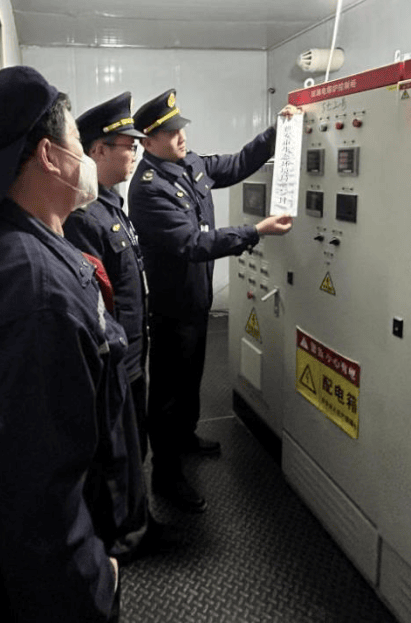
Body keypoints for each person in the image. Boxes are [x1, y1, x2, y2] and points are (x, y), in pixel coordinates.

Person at [0, 66, 131, 621]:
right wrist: (97, 581)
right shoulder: (37, 294)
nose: (85, 158)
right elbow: (38, 499)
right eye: (78, 143)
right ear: (49, 155)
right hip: (53, 589)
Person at [128, 89, 296, 512]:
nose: (180, 137)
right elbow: (192, 244)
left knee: (191, 377)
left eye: (180, 128)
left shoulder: (191, 164)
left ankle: (185, 436)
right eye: (170, 133)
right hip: (172, 306)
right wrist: (255, 231)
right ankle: (166, 474)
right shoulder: (148, 189)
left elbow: (237, 164)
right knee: (168, 391)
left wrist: (278, 131)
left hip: (197, 298)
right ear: (148, 141)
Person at [63, 92, 152, 559]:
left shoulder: (112, 205)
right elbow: (95, 302)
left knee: (135, 450)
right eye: (127, 146)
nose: (135, 153)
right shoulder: (84, 217)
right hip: (116, 362)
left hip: (134, 354)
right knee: (117, 457)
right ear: (98, 150)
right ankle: (122, 540)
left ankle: (138, 521)